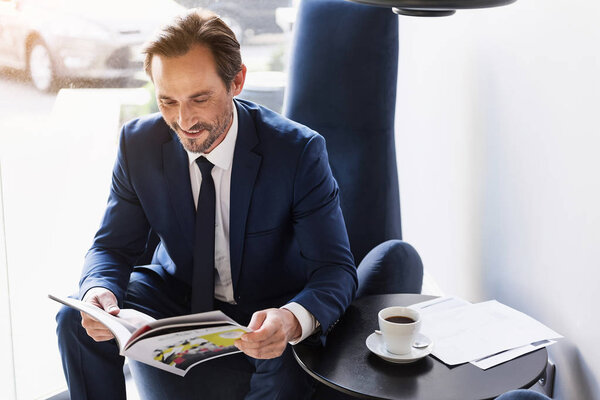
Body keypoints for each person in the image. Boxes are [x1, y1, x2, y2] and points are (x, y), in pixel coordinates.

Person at [55, 8, 357, 400]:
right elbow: (111, 247)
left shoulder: (298, 152)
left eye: (199, 99)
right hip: (175, 291)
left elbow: (336, 271)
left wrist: (289, 319)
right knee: (74, 318)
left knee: (285, 372)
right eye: (167, 101)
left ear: (237, 81)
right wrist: (100, 290)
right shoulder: (138, 144)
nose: (184, 121)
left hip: (265, 308)